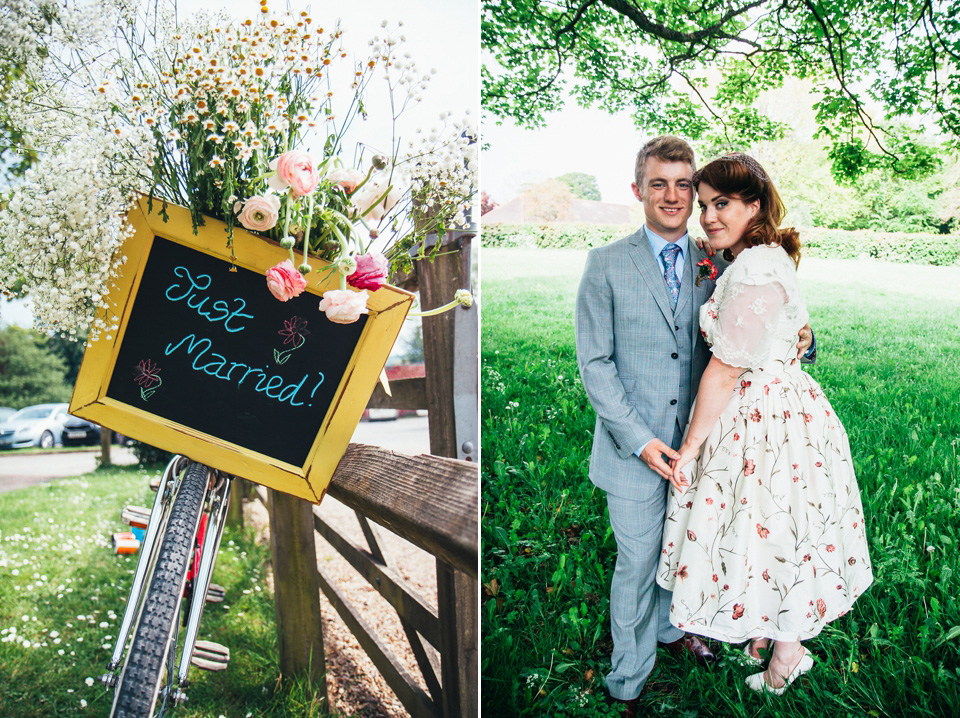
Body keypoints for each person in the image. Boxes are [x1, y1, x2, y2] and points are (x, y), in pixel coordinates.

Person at [574, 137, 813, 716]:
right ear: (638, 191)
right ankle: (628, 680)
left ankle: (671, 629)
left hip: (713, 444)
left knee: (682, 543)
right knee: (636, 559)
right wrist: (640, 440)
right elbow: (595, 365)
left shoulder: (726, 256)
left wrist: (805, 342)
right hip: (637, 445)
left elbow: (767, 320)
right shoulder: (605, 264)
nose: (676, 197)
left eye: (686, 185)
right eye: (660, 183)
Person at [656, 152, 873, 695]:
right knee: (777, 530)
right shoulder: (763, 257)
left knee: (770, 526)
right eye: (704, 205)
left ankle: (787, 657)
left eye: (721, 203)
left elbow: (725, 369)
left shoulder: (753, 266)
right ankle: (776, 635)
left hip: (763, 417)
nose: (707, 216)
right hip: (785, 406)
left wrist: (690, 446)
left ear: (754, 204)